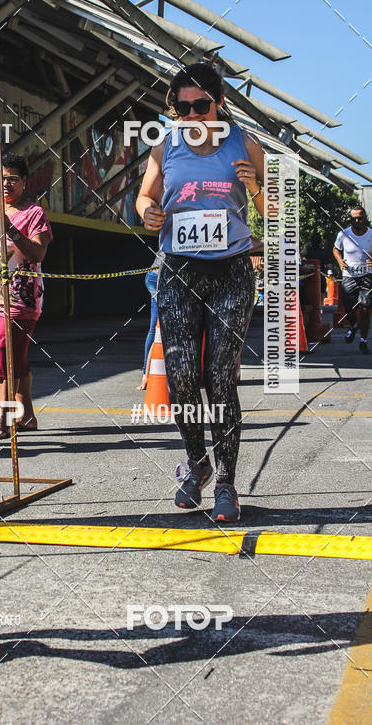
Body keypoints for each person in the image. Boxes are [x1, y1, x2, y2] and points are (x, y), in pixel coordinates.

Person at [136, 62, 265, 523]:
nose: (190, 115)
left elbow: (275, 207)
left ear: (219, 103)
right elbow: (144, 198)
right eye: (181, 107)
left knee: (220, 376)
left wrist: (257, 186)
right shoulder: (164, 145)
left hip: (231, 269)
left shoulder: (245, 143)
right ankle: (197, 464)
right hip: (179, 270)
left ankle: (227, 484)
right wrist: (149, 212)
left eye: (200, 106)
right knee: (183, 376)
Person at [0, 152, 53, 440]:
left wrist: (11, 230)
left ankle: (4, 417)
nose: (6, 184)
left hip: (21, 298)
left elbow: (38, 252)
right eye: (1, 179)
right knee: (16, 359)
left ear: (24, 181)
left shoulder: (34, 214)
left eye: (13, 179)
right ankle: (29, 416)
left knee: (2, 356)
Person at [333, 205, 372, 353]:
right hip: (349, 276)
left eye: (360, 218)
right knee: (349, 308)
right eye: (354, 218)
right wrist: (339, 260)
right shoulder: (344, 234)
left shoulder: (371, 234)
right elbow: (336, 249)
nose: (357, 221)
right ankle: (354, 324)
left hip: (367, 276)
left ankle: (363, 340)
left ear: (365, 218)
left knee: (365, 307)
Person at [137, 250, 163, 390]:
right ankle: (148, 374)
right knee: (161, 329)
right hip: (162, 276)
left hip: (151, 276)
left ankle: (145, 374)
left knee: (154, 329)